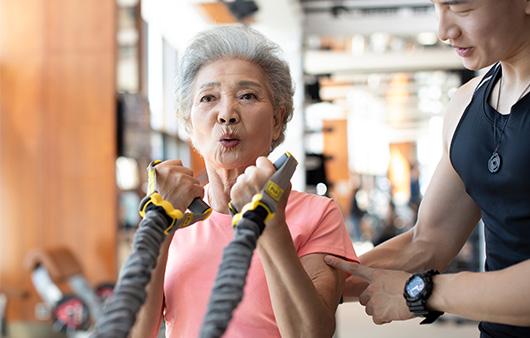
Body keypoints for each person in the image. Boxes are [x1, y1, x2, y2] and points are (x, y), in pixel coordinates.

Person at [129, 25, 358, 338]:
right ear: (188, 124)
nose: (227, 114)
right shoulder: (169, 214)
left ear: (277, 120)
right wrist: (160, 229)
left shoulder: (318, 214)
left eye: (247, 96)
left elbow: (311, 333)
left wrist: (270, 222)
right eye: (208, 98)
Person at [325, 0, 530, 337]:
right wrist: (311, 279)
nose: (443, 31)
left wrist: (424, 292)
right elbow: (427, 243)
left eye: (460, 7)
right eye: (436, 6)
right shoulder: (466, 104)